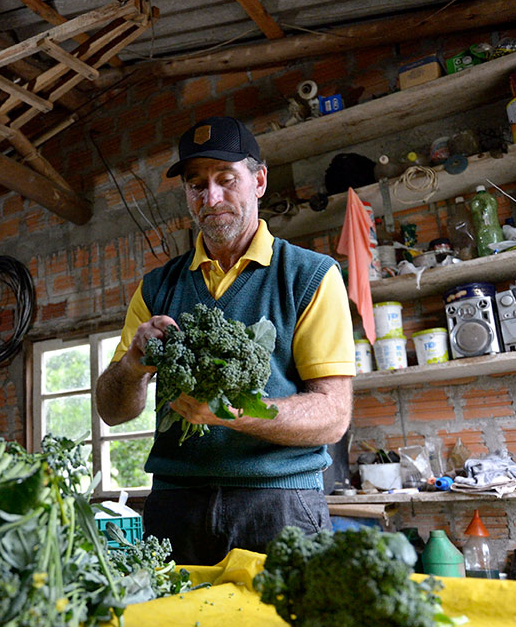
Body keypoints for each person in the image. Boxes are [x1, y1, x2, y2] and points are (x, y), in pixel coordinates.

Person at [95, 116, 355, 565]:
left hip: (280, 504)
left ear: (259, 181)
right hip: (174, 507)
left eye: (226, 179)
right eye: (196, 185)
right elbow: (112, 411)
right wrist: (133, 365)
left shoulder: (310, 276)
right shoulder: (156, 287)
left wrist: (232, 413)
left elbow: (332, 416)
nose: (211, 198)